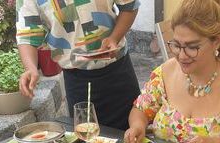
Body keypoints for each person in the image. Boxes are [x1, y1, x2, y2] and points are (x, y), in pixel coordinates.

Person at [124, 0, 220, 143]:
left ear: (216, 42)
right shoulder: (165, 73)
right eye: (177, 45)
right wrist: (137, 126)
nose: (182, 56)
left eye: (192, 47)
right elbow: (141, 110)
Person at [15, 0, 141, 130]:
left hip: (119, 73)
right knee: (88, 142)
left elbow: (130, 6)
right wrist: (30, 68)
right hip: (77, 81)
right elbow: (27, 34)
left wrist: (114, 38)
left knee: (135, 139)